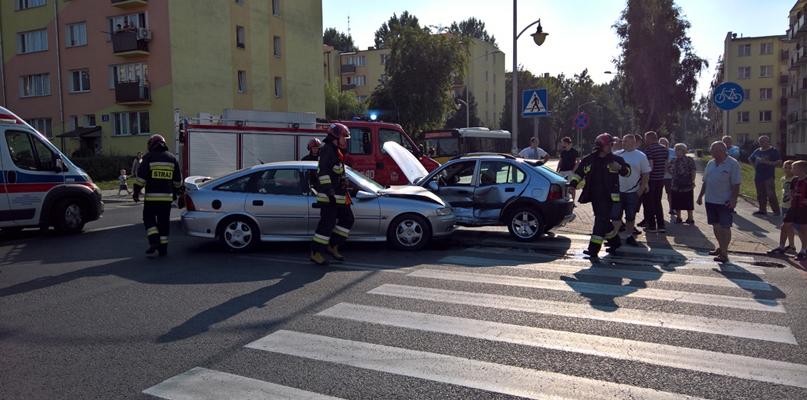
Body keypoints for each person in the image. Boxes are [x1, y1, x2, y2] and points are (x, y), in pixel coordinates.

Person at [569, 133, 632, 260]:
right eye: (608, 145)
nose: (610, 147)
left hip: (608, 197)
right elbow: (579, 173)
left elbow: (628, 172)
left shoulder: (615, 159)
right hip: (594, 196)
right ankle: (615, 242)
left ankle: (593, 249)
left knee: (600, 221)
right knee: (603, 220)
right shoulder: (589, 159)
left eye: (611, 145)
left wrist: (619, 168)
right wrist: (572, 185)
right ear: (600, 146)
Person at [311, 123, 355, 265]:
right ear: (336, 136)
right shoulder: (327, 151)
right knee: (327, 224)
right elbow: (323, 174)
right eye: (343, 136)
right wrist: (330, 193)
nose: (345, 140)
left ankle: (333, 245)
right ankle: (316, 252)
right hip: (329, 197)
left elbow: (338, 174)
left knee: (348, 219)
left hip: (339, 196)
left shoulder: (336, 150)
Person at [133, 135, 183, 256]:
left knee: (148, 218)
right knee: (164, 222)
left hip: (151, 198)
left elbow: (141, 178)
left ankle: (154, 240)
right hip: (166, 199)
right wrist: (177, 193)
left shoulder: (149, 157)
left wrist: (136, 191)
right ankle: (163, 249)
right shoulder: (172, 158)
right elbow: (178, 181)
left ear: (151, 145)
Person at [696, 141, 741, 263]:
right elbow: (706, 181)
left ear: (720, 151)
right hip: (710, 200)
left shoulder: (733, 164)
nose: (711, 152)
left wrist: (734, 200)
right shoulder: (711, 163)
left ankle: (724, 252)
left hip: (725, 201)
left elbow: (736, 184)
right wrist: (700, 196)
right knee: (716, 225)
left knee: (725, 226)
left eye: (712, 150)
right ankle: (721, 247)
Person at [611, 134, 650, 246]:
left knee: (630, 215)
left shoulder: (641, 156)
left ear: (633, 143)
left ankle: (629, 236)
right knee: (615, 215)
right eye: (623, 141)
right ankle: (614, 237)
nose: (623, 143)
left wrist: (641, 189)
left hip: (633, 191)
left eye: (626, 141)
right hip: (618, 191)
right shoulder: (617, 155)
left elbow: (646, 173)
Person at [640, 131, 669, 233]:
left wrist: (645, 180)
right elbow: (666, 165)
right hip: (660, 179)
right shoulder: (664, 149)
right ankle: (661, 225)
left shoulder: (649, 150)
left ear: (648, 139)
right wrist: (662, 174)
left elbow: (650, 166)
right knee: (658, 202)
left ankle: (651, 225)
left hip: (651, 179)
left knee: (649, 202)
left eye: (645, 138)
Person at [769, 160, 799, 255]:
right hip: (784, 204)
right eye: (786, 167)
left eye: (790, 168)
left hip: (792, 206)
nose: (788, 170)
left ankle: (791, 246)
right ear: (782, 168)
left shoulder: (795, 179)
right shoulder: (783, 179)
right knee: (788, 227)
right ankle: (791, 245)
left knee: (790, 226)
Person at [748, 135, 782, 216]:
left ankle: (776, 210)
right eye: (759, 141)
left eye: (762, 141)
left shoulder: (773, 151)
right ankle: (762, 209)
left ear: (767, 142)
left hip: (768, 175)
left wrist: (768, 163)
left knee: (770, 193)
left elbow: (779, 162)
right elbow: (750, 158)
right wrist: (754, 166)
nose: (760, 143)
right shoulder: (757, 151)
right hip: (758, 175)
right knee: (760, 194)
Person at [669, 143, 696, 224]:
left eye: (677, 149)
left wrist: (692, 180)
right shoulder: (674, 160)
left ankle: (690, 218)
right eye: (675, 149)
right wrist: (672, 175)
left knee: (688, 200)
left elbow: (693, 170)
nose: (675, 151)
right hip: (676, 184)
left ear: (683, 150)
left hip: (686, 183)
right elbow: (667, 167)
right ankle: (679, 217)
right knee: (676, 200)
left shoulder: (689, 159)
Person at [659, 138, 676, 216]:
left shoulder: (673, 152)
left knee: (670, 193)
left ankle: (671, 208)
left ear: (667, 144)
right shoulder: (658, 152)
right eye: (661, 144)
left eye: (664, 144)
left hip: (669, 176)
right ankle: (658, 210)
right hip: (659, 176)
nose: (662, 145)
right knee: (658, 193)